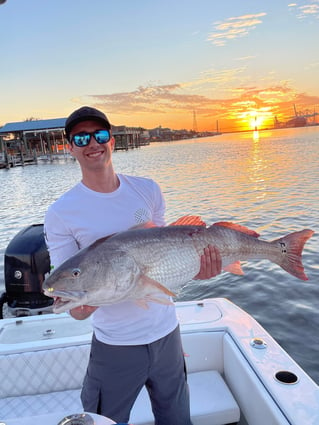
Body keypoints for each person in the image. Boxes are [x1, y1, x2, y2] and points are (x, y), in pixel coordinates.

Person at [44, 106, 222, 425]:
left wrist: (201, 269)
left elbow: (169, 252)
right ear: (69, 147)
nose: (92, 143)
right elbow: (70, 293)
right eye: (81, 137)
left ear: (112, 140)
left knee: (177, 419)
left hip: (167, 333)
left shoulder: (147, 189)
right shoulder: (61, 213)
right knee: (104, 420)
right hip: (115, 344)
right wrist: (84, 302)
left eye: (99, 135)